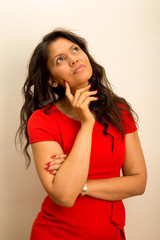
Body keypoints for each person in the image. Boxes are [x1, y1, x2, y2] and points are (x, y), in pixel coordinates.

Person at [16, 28, 147, 240]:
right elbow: (65, 196)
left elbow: (139, 181)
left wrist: (81, 185)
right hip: (56, 233)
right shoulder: (42, 120)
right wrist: (86, 125)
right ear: (52, 81)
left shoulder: (119, 111)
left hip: (110, 233)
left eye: (75, 50)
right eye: (60, 60)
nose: (73, 60)